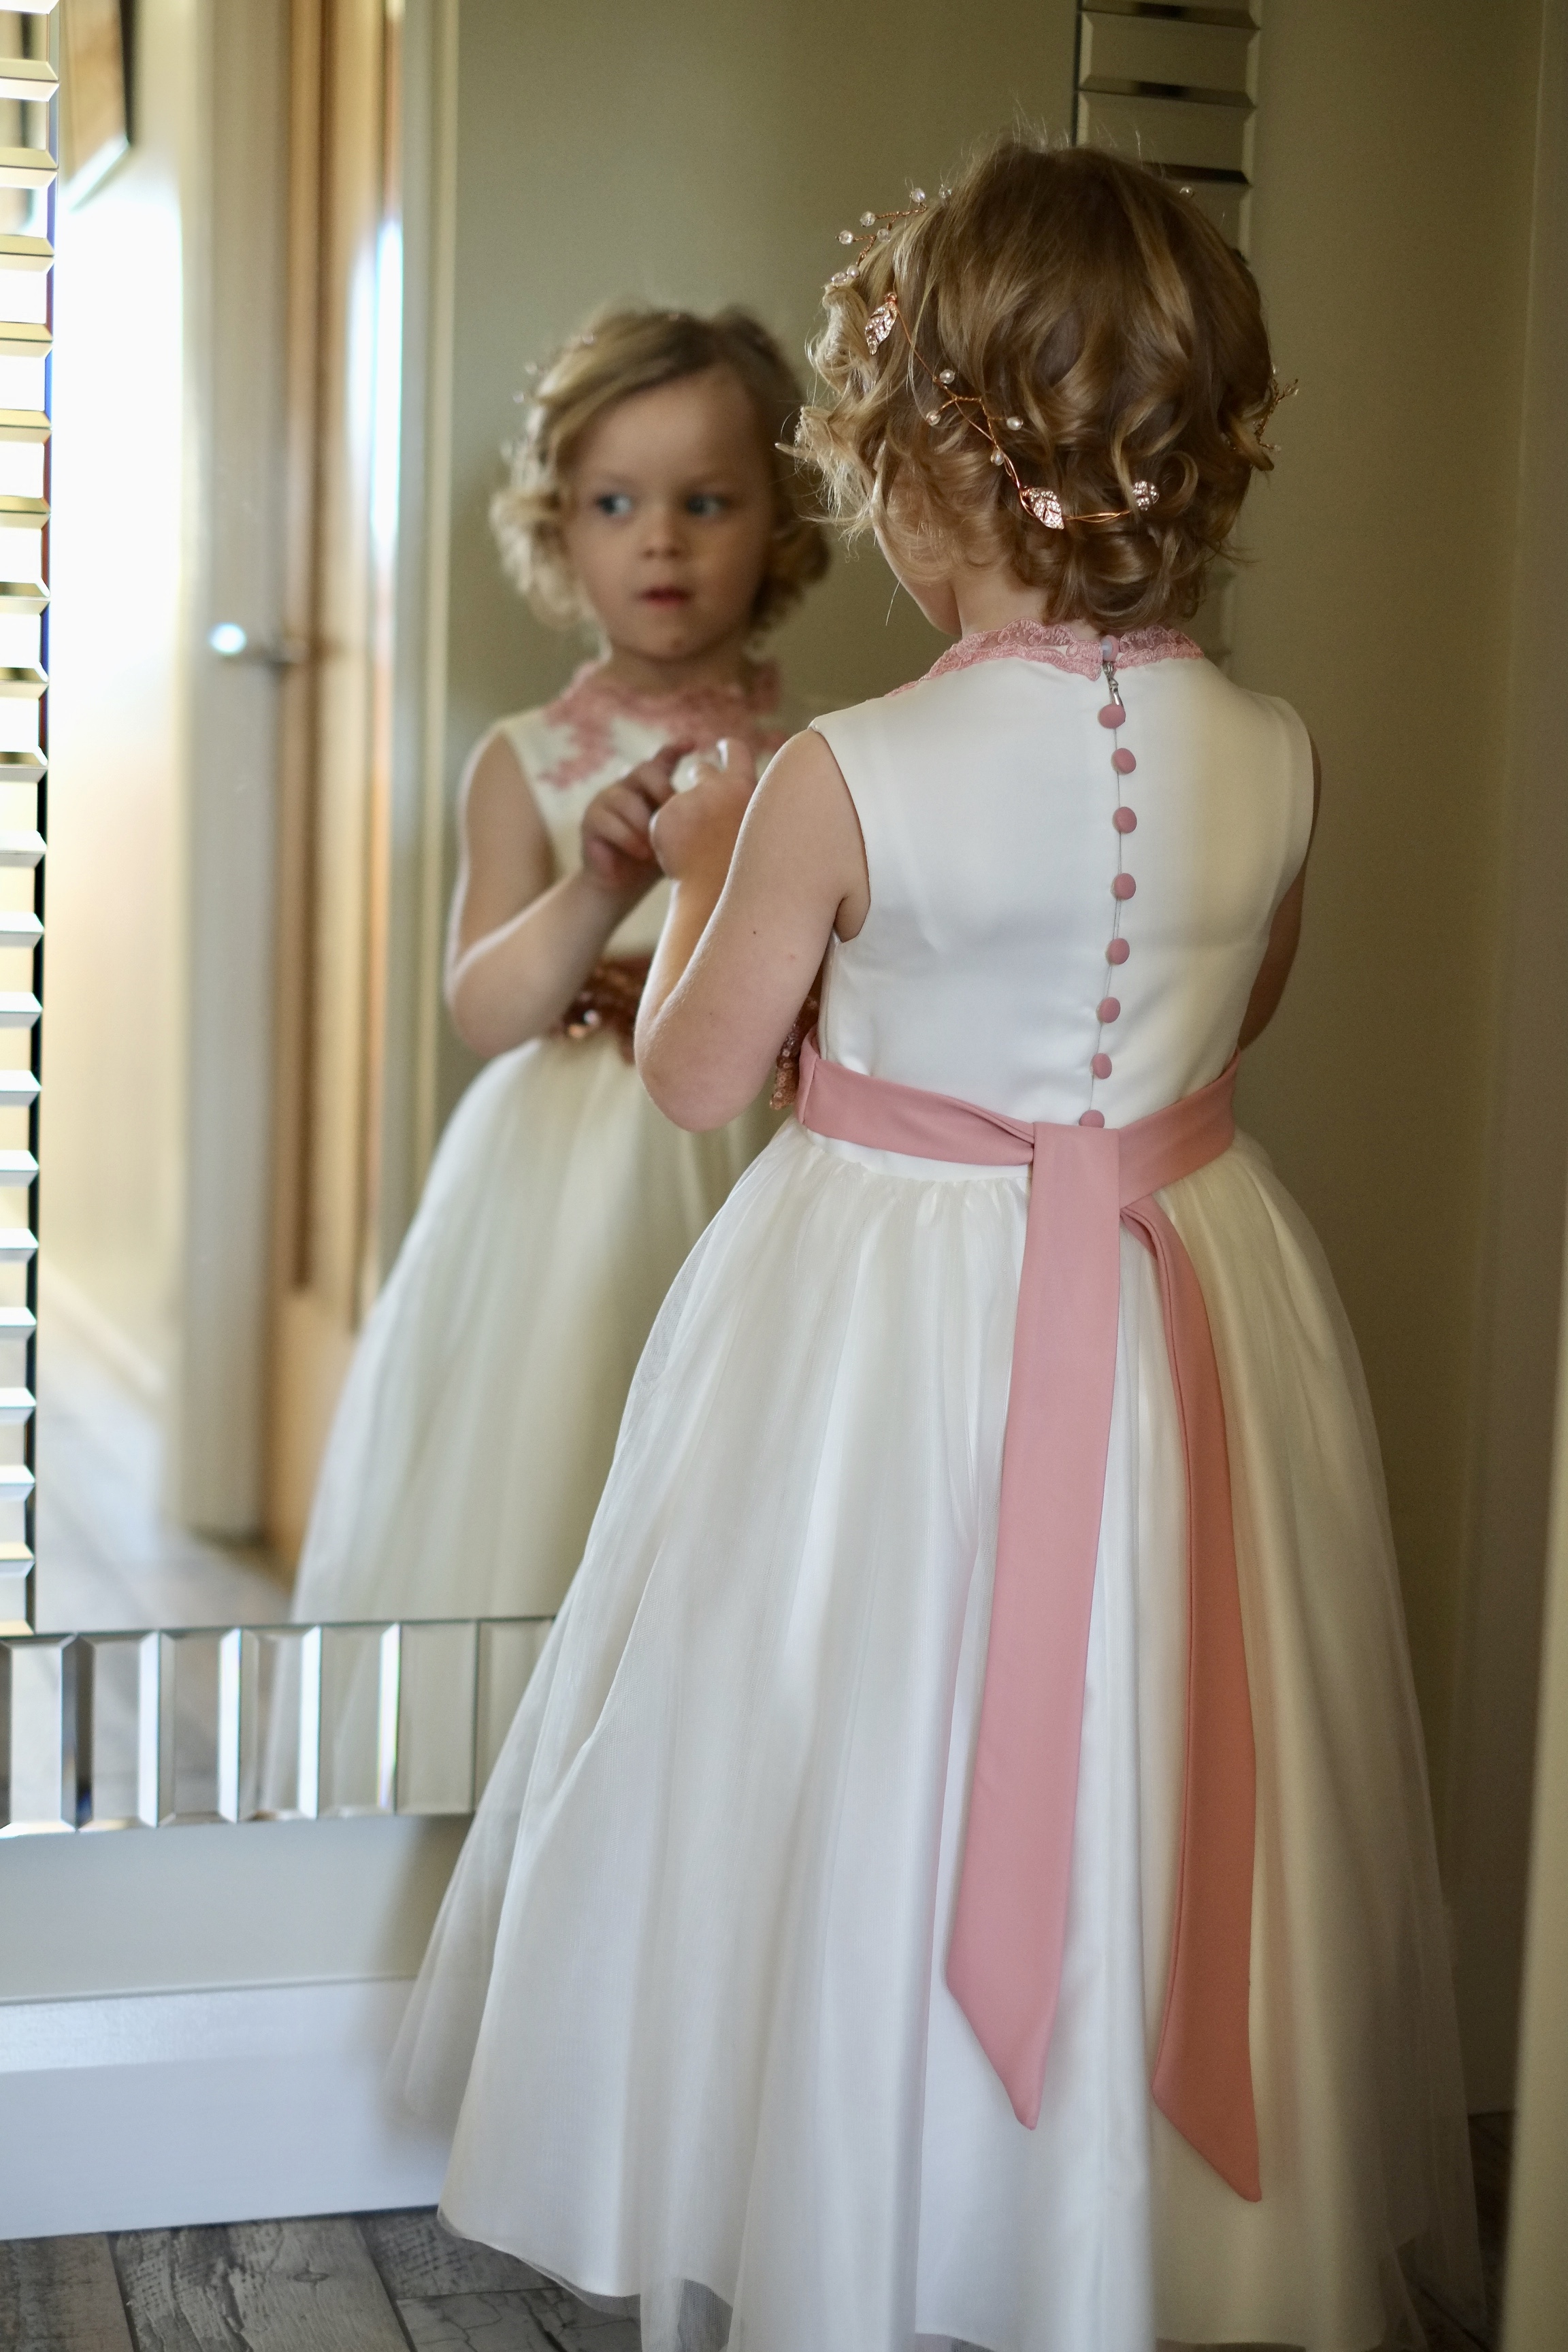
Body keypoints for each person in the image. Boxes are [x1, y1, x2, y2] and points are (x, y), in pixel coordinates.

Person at [391, 144, 1482, 2352]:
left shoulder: (841, 772)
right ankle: (1148, 2240)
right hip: (1187, 1297)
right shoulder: (1275, 755)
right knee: (1152, 1742)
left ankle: (881, 2203)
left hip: (893, 1325)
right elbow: (1226, 1032)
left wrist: (712, 866)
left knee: (879, 1730)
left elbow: (697, 1072)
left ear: (923, 469)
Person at [289, 306, 826, 1625]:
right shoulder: (521, 760)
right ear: (558, 528)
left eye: (707, 501)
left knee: (728, 1468)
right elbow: (485, 1009)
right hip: (563, 1165)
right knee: (560, 1441)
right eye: (614, 503)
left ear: (780, 524)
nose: (661, 539)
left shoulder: (821, 765)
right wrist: (599, 890)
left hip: (752, 1152)